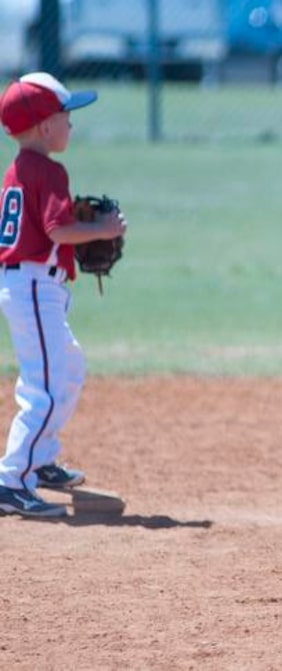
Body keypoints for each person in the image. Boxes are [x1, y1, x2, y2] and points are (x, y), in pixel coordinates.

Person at [0, 72, 127, 517]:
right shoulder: (49, 170)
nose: (71, 124)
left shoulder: (18, 170)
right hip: (34, 285)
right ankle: (11, 480)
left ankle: (40, 457)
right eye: (65, 115)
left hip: (31, 284)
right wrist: (102, 229)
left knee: (68, 367)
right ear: (42, 127)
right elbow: (58, 229)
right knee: (46, 387)